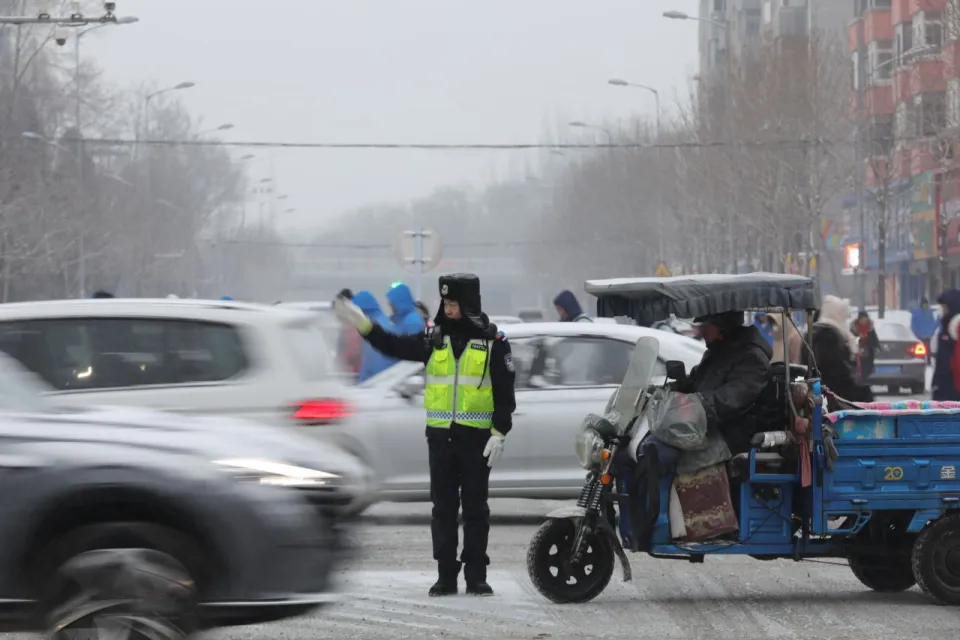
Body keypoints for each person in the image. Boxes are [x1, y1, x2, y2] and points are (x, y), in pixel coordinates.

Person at [333, 273, 516, 597]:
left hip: (476, 441)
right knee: (443, 510)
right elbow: (394, 345)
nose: (448, 308)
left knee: (475, 510)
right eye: (445, 302)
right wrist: (364, 326)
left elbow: (504, 395)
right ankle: (446, 575)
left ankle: (477, 575)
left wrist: (499, 433)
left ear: (469, 304)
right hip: (441, 440)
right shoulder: (434, 340)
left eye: (454, 302)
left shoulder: (494, 344)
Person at [672, 311, 772, 457]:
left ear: (724, 325)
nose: (702, 330)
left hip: (729, 435)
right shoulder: (717, 352)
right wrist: (666, 391)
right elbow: (694, 383)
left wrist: (692, 405)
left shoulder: (753, 359)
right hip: (702, 426)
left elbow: (728, 401)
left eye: (706, 325)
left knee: (667, 454)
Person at [801, 295, 873, 402]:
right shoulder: (829, 336)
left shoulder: (812, 332)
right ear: (837, 314)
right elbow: (836, 371)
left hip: (817, 391)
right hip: (831, 395)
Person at [351, 291, 399, 383]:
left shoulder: (371, 328)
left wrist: (362, 383)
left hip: (376, 384)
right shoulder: (386, 322)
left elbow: (373, 363)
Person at [933, 290, 960, 401]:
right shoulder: (944, 328)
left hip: (954, 387)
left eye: (945, 307)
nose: (942, 310)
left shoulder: (956, 328)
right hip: (944, 387)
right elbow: (941, 360)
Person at [335, 289, 363, 377]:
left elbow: (354, 353)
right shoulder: (347, 326)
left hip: (351, 374)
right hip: (348, 372)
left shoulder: (352, 327)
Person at [851, 310, 880, 383]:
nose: (864, 320)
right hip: (857, 353)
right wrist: (859, 338)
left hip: (868, 353)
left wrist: (876, 346)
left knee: (867, 370)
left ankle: (865, 382)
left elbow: (874, 339)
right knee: (858, 369)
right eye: (862, 318)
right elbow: (851, 339)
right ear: (859, 319)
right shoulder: (854, 328)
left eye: (865, 318)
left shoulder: (870, 328)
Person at [911, 297, 938, 364]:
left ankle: (926, 361)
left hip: (924, 334)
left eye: (926, 304)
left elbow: (932, 322)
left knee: (925, 348)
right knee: (923, 348)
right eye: (924, 304)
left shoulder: (928, 311)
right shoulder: (918, 312)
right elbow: (913, 323)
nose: (925, 306)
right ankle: (924, 361)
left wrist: (932, 331)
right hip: (921, 334)